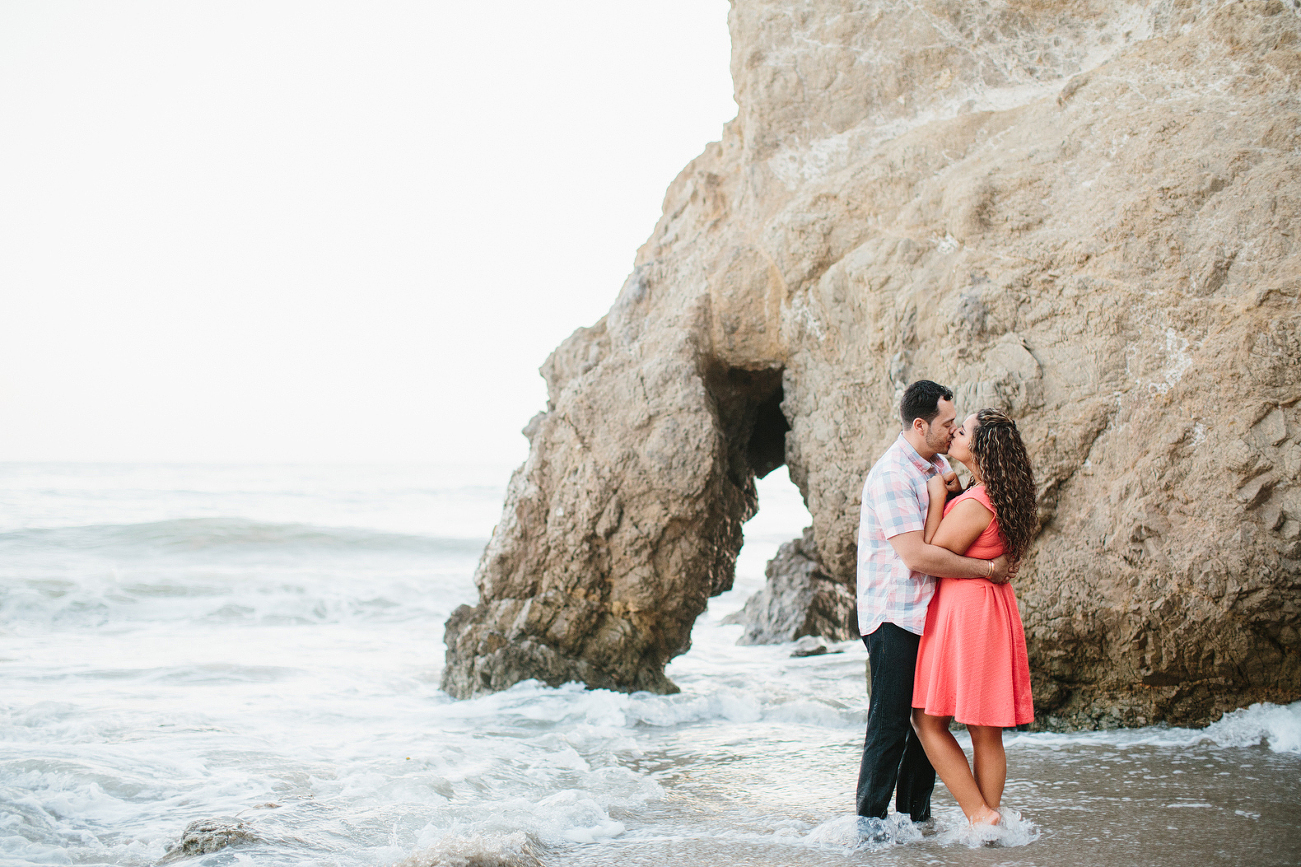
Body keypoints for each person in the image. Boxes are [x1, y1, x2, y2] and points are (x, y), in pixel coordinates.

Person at [856, 381, 1012, 824]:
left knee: (930, 721)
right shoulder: (893, 475)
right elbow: (919, 555)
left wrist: (953, 491)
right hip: (894, 615)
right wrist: (987, 571)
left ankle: (914, 820)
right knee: (889, 725)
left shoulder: (939, 463)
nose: (952, 431)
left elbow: (959, 528)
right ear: (920, 425)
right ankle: (869, 826)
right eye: (947, 425)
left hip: (933, 616)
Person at [910, 408, 1037, 826]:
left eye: (962, 431)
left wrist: (937, 498)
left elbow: (931, 551)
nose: (954, 433)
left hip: (967, 615)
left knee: (927, 720)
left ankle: (979, 814)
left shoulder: (977, 502)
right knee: (985, 729)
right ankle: (988, 818)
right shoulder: (1000, 494)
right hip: (992, 608)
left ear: (978, 447)